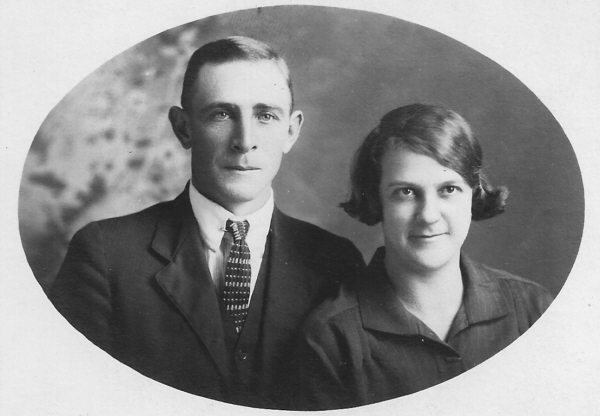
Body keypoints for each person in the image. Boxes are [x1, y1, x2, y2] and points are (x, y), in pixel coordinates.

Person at [50, 36, 364, 408]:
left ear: (291, 131)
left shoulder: (336, 261)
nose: (244, 141)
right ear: (183, 128)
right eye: (221, 114)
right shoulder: (106, 254)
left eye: (265, 115)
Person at [290, 104, 553, 410]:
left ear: (473, 194)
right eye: (406, 192)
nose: (428, 215)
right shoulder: (332, 338)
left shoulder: (532, 308)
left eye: (449, 189)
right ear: (376, 200)